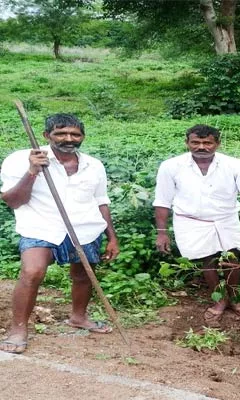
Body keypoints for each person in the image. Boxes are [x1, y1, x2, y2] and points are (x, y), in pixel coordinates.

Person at [0, 114, 119, 354]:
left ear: (83, 137)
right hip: (41, 227)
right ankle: (18, 329)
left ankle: (78, 317)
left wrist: (112, 237)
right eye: (61, 133)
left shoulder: (93, 165)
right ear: (47, 136)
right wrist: (32, 170)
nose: (69, 139)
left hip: (84, 228)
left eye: (75, 134)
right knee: (32, 272)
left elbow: (100, 201)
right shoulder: (20, 160)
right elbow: (13, 201)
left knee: (83, 275)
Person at [153, 124, 240, 325]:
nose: (201, 147)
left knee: (233, 258)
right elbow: (162, 201)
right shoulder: (171, 166)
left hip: (226, 218)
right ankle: (219, 299)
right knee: (207, 260)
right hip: (190, 221)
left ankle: (236, 299)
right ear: (187, 143)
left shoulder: (235, 165)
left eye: (207, 142)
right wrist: (162, 232)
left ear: (217, 144)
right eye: (195, 142)